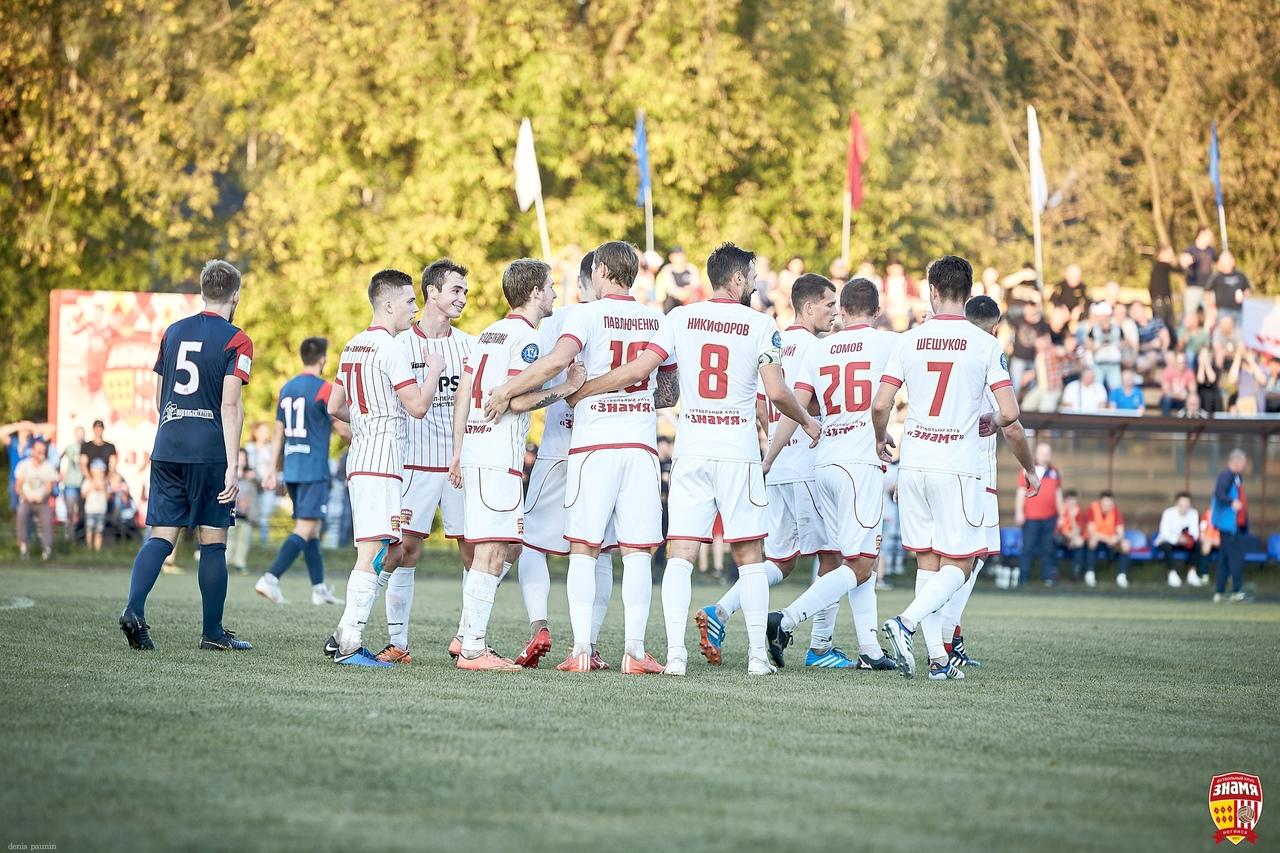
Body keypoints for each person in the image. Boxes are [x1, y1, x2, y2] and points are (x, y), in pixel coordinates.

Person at [568, 242, 820, 676]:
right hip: (737, 452)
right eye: (752, 277)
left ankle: (675, 656)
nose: (755, 284)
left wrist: (584, 391)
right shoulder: (762, 324)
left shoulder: (680, 318)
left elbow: (637, 371)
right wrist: (808, 421)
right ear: (737, 279)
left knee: (680, 555)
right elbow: (777, 392)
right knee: (750, 555)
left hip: (692, 450)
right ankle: (757, 657)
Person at [487, 241, 675, 674]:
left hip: (590, 447)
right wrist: (633, 399)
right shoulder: (657, 319)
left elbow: (556, 362)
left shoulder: (583, 316)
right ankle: (635, 651)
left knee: (583, 549)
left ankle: (581, 650)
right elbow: (669, 390)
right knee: (636, 551)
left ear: (601, 270)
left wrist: (509, 391)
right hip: (641, 446)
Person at [874, 255, 1039, 680]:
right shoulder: (984, 344)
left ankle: (938, 661)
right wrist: (992, 419)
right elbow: (1010, 412)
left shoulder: (908, 340)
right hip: (957, 466)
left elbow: (880, 404)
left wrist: (879, 438)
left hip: (914, 464)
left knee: (927, 563)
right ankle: (906, 621)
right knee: (961, 564)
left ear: (932, 291)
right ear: (968, 294)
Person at [751, 277, 897, 671]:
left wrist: (770, 456)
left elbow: (794, 409)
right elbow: (882, 404)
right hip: (859, 463)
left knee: (857, 561)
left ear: (843, 311)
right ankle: (786, 620)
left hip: (824, 462)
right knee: (861, 564)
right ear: (877, 310)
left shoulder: (821, 349)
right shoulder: (889, 343)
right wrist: (882, 436)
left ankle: (870, 650)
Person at [447, 259, 584, 671]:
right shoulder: (528, 338)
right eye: (550, 286)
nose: (555, 293)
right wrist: (567, 387)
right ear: (535, 292)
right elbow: (517, 401)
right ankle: (473, 649)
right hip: (497, 455)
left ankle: (465, 635)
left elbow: (465, 393)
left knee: (509, 545)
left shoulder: (487, 332)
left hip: (477, 450)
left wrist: (458, 450)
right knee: (491, 551)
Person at [118, 259, 255, 652]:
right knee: (213, 541)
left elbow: (159, 395)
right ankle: (212, 633)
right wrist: (232, 466)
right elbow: (230, 405)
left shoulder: (173, 331)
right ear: (235, 296)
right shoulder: (238, 340)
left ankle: (133, 610)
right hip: (209, 451)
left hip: (168, 445)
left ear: (202, 291)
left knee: (161, 536)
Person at [483, 252, 611, 669]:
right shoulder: (630, 320)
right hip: (606, 448)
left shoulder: (559, 321)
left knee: (533, 543)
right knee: (600, 550)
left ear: (583, 280)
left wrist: (506, 392)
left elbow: (544, 368)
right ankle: (588, 644)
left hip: (559, 444)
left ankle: (539, 624)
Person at [321, 269, 443, 668]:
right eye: (409, 301)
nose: (415, 308)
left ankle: (342, 632)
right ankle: (350, 643)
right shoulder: (391, 348)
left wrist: (365, 422)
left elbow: (334, 406)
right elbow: (418, 406)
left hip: (364, 457)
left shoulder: (353, 344)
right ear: (388, 304)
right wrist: (435, 370)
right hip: (381, 462)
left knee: (390, 549)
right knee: (373, 551)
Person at [378, 260, 475, 664]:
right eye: (455, 290)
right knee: (405, 551)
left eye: (465, 291)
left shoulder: (470, 345)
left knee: (474, 553)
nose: (463, 298)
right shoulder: (400, 344)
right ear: (431, 292)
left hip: (458, 466)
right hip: (413, 464)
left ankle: (468, 637)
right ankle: (398, 643)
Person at [255, 337, 347, 607]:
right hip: (313, 469)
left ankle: (319, 589)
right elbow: (342, 429)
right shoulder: (325, 389)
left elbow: (278, 433)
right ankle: (270, 578)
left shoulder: (287, 388)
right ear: (323, 359)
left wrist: (271, 470)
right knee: (305, 527)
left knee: (312, 529)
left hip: (292, 470)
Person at [1015, 442, 1063, 586]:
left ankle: (1047, 578)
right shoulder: (1027, 471)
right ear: (1036, 454)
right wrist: (1019, 512)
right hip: (1030, 518)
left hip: (1050, 518)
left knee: (1048, 549)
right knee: (1027, 548)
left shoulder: (1055, 472)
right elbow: (1020, 492)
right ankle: (1023, 579)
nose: (1045, 456)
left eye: (1047, 453)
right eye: (1042, 453)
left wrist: (1061, 515)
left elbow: (1058, 494)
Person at [1209, 449, 1249, 602]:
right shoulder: (1226, 475)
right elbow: (1219, 493)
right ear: (1236, 462)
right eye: (1243, 463)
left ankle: (1219, 592)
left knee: (1224, 558)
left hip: (1234, 524)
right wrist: (1232, 502)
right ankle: (1236, 591)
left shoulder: (1236, 477)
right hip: (1229, 525)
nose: (1244, 466)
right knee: (1235, 557)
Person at [14, 439, 57, 560]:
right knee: (21, 513)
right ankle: (23, 549)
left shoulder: (49, 466)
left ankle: (47, 550)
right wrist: (25, 496)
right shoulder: (23, 465)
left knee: (47, 519)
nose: (42, 453)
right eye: (39, 451)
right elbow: (17, 486)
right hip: (26, 501)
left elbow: (49, 487)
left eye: (43, 451)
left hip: (42, 502)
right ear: (32, 451)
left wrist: (42, 496)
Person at [1154, 491, 1202, 588]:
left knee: (1197, 544)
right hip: (1169, 542)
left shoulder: (1194, 513)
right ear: (1177, 503)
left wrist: (1187, 538)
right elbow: (1164, 533)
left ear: (1190, 505)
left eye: (1186, 505)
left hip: (1186, 542)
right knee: (1166, 546)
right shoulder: (1168, 513)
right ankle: (1172, 574)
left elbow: (1195, 532)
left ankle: (1192, 573)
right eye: (1181, 505)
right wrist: (1177, 538)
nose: (1184, 508)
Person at [1084, 490, 1130, 588]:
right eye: (1105, 504)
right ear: (1100, 502)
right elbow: (1091, 532)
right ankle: (1090, 574)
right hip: (1098, 540)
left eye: (1109, 505)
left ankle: (1122, 576)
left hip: (1111, 542)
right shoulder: (1092, 509)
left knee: (1126, 544)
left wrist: (1116, 538)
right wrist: (1107, 539)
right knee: (1092, 542)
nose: (1107, 507)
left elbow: (1121, 532)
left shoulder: (1115, 511)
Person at [1008, 299, 1048, 394]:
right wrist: (1009, 343)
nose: (1029, 312)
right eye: (1027, 309)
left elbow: (1046, 339)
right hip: (1018, 357)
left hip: (1032, 359)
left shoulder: (1041, 323)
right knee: (1015, 385)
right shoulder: (1019, 319)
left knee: (1031, 387)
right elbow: (1007, 317)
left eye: (1032, 309)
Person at [228, 448, 256, 574]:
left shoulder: (250, 477)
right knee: (229, 539)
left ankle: (240, 564)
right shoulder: (229, 474)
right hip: (232, 513)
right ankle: (226, 562)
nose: (242, 461)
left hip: (245, 515)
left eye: (244, 458)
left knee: (243, 541)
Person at [1206, 251, 1251, 325]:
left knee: (1237, 330)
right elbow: (1207, 292)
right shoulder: (1216, 276)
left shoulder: (1240, 275)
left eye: (1228, 262)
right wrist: (1212, 307)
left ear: (1233, 262)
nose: (1226, 264)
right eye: (1224, 262)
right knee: (1224, 329)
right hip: (1223, 310)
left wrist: (1243, 296)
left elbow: (1247, 289)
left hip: (1238, 310)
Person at [1180, 225, 1217, 316]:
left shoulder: (1211, 250)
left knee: (1212, 315)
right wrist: (1185, 261)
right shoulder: (1191, 249)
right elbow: (1183, 261)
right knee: (1190, 315)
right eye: (1209, 235)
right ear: (1201, 234)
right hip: (1194, 288)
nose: (1211, 237)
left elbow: (1219, 262)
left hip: (1208, 289)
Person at [655, 247, 704, 312]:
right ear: (671, 257)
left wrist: (688, 292)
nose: (680, 258)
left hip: (689, 299)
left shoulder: (691, 268)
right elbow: (670, 289)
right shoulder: (666, 270)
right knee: (670, 302)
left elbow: (696, 285)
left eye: (681, 255)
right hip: (673, 301)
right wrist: (681, 294)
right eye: (677, 256)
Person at [59, 426, 85, 541]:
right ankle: (68, 535)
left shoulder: (86, 447)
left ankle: (78, 536)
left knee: (81, 512)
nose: (80, 436)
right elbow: (59, 458)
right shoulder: (70, 447)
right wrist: (59, 473)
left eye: (82, 434)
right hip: (70, 483)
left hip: (83, 483)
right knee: (70, 512)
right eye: (78, 434)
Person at [1056, 489, 1087, 581]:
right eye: (1069, 500)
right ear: (1065, 500)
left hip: (1073, 538)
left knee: (1079, 543)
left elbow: (1079, 530)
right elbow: (1058, 529)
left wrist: (1072, 518)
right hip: (1062, 538)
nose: (1072, 502)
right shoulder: (1060, 511)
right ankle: (1053, 571)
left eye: (1074, 500)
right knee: (1054, 540)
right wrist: (1069, 538)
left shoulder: (1078, 512)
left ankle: (1076, 573)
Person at [1148, 246, 1178, 332]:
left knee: (1168, 326)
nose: (1171, 257)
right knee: (1162, 327)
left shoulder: (1160, 268)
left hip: (1162, 301)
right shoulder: (1161, 265)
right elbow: (1176, 268)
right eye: (1170, 254)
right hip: (1160, 302)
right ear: (1162, 254)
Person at [79, 419, 118, 483]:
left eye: (100, 428)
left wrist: (106, 480)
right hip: (89, 481)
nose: (98, 430)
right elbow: (83, 465)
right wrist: (91, 480)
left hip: (105, 481)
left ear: (103, 429)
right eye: (96, 428)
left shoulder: (110, 447)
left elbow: (112, 466)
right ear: (93, 429)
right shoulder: (86, 446)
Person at [82, 466, 109, 551]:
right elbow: (83, 495)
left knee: (99, 532)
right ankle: (89, 549)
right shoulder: (88, 482)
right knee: (89, 531)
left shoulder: (105, 482)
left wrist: (103, 489)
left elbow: (109, 497)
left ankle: (97, 551)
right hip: (90, 510)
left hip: (101, 510)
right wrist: (91, 487)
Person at [1160, 352, 1195, 416]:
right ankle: (1166, 420)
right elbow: (1166, 391)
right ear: (1175, 362)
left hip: (1182, 400)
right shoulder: (1168, 371)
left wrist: (1187, 394)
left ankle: (1188, 420)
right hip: (1170, 399)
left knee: (1191, 399)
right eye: (1179, 362)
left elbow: (1193, 390)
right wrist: (1178, 395)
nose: (1182, 365)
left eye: (1184, 362)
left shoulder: (1189, 372)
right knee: (1167, 399)